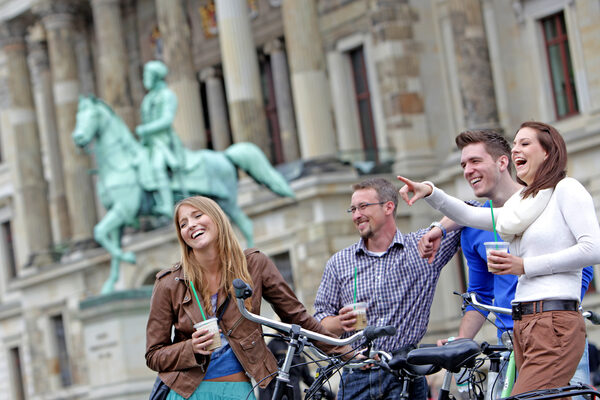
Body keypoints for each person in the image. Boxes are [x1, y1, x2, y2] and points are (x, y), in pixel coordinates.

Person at [398, 121, 600, 395]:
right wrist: (432, 193)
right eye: (515, 143)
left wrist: (524, 266)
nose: (517, 148)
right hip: (523, 325)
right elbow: (470, 214)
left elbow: (593, 249)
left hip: (553, 320)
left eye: (525, 143)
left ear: (548, 152)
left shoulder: (567, 189)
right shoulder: (523, 206)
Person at [146, 196, 350, 400]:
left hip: (239, 391)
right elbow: (153, 355)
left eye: (198, 215)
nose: (191, 225)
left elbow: (298, 318)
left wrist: (346, 351)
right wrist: (191, 348)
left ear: (217, 218)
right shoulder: (170, 282)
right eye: (183, 224)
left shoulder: (255, 265)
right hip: (187, 393)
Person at [313, 178, 462, 400]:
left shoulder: (421, 248)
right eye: (353, 209)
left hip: (405, 373)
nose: (356, 215)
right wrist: (339, 323)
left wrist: (438, 227)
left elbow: (470, 210)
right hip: (356, 376)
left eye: (363, 207)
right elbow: (318, 324)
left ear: (388, 207)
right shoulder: (339, 262)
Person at [136, 60, 182, 218]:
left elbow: (167, 119)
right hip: (148, 144)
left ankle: (167, 206)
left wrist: (146, 129)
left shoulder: (167, 95)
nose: (144, 78)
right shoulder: (148, 99)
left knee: (157, 166)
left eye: (146, 74)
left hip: (163, 142)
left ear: (155, 76)